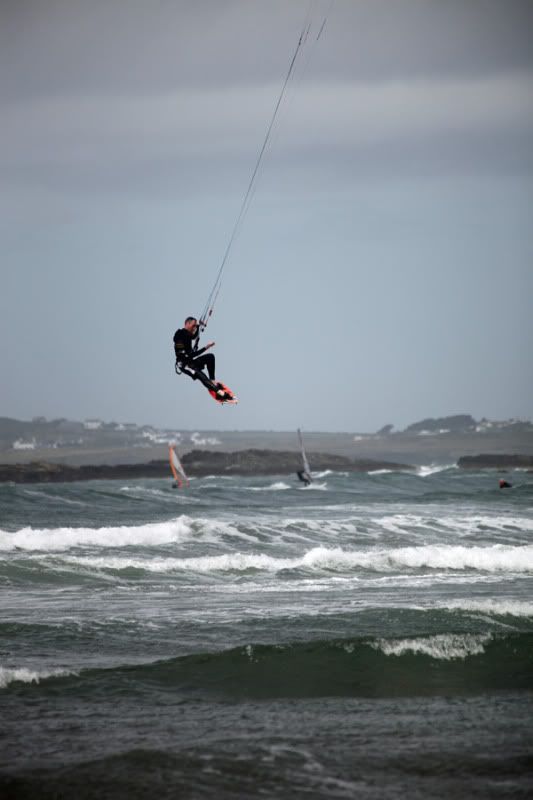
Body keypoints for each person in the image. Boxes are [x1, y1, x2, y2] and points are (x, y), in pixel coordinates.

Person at [173, 317, 216, 381]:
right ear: (187, 323)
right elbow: (190, 355)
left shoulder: (188, 335)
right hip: (184, 365)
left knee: (210, 357)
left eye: (195, 326)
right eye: (193, 326)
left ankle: (212, 381)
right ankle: (212, 386)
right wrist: (206, 347)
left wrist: (198, 326)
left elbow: (194, 336)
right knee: (200, 375)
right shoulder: (180, 334)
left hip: (191, 362)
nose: (194, 328)